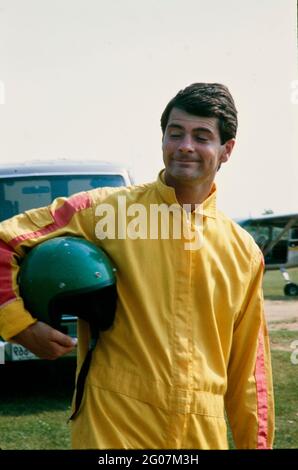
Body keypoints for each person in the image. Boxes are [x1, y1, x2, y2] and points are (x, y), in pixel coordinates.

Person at [0, 83, 275, 449]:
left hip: (201, 436)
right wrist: (19, 326)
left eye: (201, 136)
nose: (185, 146)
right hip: (115, 427)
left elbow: (249, 374)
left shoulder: (243, 252)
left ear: (227, 150)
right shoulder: (107, 211)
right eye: (174, 133)